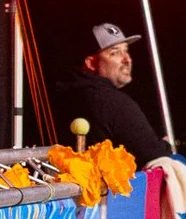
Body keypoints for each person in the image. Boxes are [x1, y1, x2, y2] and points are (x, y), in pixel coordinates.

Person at [54, 23, 172, 166]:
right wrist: (166, 145)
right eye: (115, 52)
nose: (127, 59)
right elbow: (155, 155)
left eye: (126, 50)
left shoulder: (63, 96)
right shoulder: (113, 102)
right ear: (91, 63)